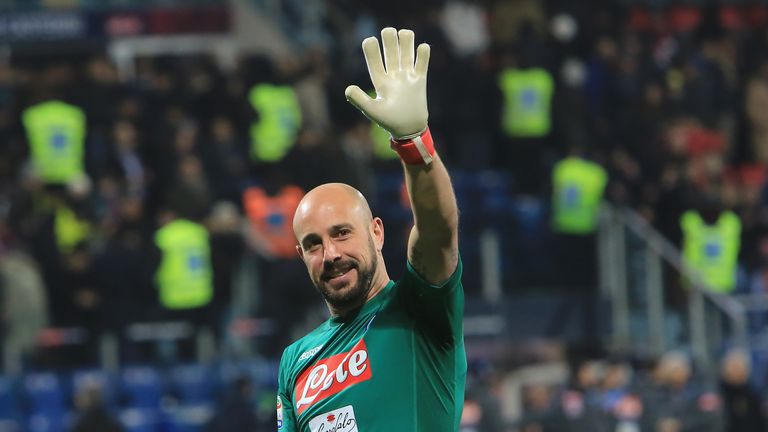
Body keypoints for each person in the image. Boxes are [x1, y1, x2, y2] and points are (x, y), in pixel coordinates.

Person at [276, 27, 465, 431]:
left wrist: (412, 142)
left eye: (342, 233)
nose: (330, 254)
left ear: (377, 233)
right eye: (313, 244)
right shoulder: (295, 361)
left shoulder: (419, 307)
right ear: (301, 256)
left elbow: (437, 230)